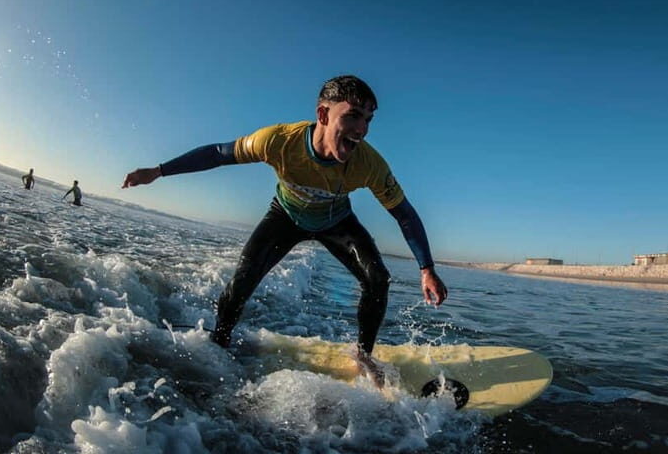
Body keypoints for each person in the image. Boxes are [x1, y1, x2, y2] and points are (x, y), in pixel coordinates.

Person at [122, 75, 448, 383]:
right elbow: (219, 154)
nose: (362, 129)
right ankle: (219, 342)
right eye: (353, 116)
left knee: (378, 278)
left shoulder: (369, 164)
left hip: (337, 222)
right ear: (323, 114)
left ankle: (364, 356)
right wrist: (159, 171)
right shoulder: (278, 141)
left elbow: (404, 214)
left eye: (368, 120)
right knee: (241, 284)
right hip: (285, 217)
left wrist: (427, 269)